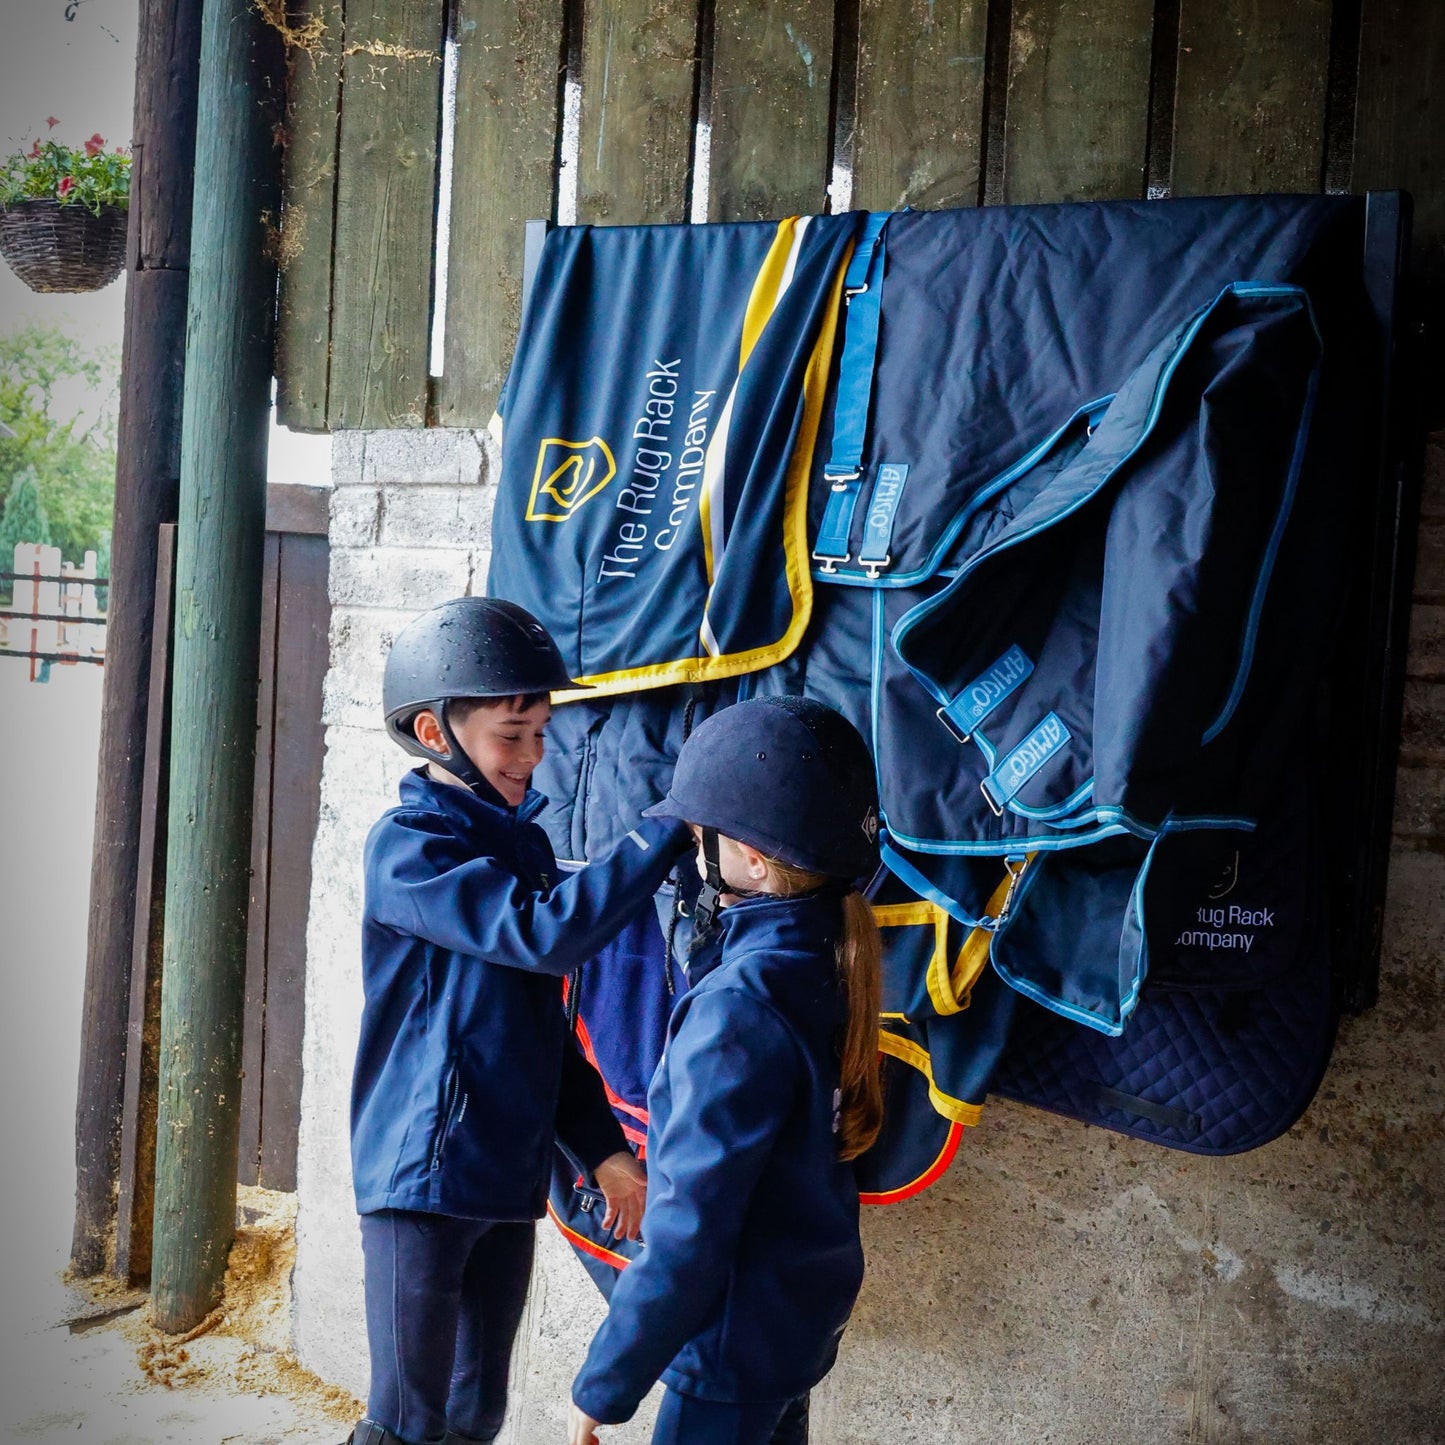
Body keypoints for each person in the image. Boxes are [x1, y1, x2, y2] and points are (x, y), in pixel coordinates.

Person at [344, 596, 692, 1445]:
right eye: (512, 733)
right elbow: (544, 937)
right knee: (405, 1423)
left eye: (542, 732)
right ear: (435, 732)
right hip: (422, 1177)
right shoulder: (410, 848)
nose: (534, 756)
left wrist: (607, 1153)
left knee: (474, 1413)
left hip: (502, 1176)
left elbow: (540, 1029)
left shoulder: (520, 850)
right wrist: (666, 830)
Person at [567, 695, 884, 1445]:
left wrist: (603, 1384)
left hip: (727, 1345)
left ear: (749, 858)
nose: (689, 847)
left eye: (699, 833)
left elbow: (688, 1229)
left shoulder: (738, 1007)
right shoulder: (827, 961)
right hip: (789, 1326)